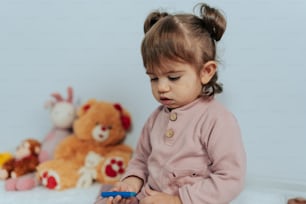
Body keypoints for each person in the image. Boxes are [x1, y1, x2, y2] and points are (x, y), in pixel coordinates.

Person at [95, 2, 246, 204]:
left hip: (192, 201)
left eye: (173, 77)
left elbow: (230, 178)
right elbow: (141, 160)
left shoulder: (217, 120)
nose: (162, 88)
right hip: (150, 197)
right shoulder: (156, 118)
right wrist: (131, 182)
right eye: (153, 78)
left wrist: (178, 200)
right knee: (108, 199)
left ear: (205, 72)